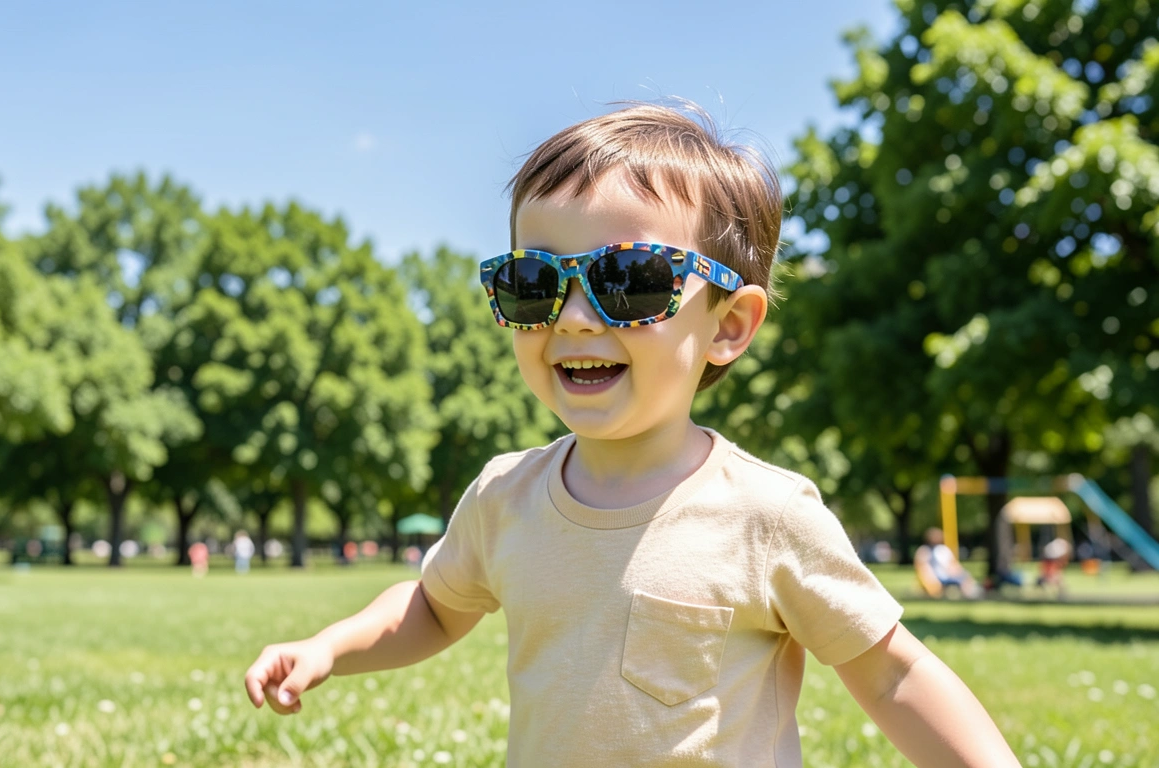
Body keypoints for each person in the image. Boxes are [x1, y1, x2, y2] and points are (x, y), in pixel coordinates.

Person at [244, 102, 1019, 767]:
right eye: (534, 283)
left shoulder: (767, 514)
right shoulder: (505, 496)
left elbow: (891, 675)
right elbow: (434, 607)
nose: (576, 317)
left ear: (729, 325)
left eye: (629, 281)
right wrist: (330, 648)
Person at [923, 527, 982, 598]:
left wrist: (959, 572)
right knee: (961, 579)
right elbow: (924, 568)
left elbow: (952, 564)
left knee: (964, 576)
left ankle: (972, 592)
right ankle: (971, 594)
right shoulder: (925, 551)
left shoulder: (943, 549)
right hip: (939, 576)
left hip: (949, 574)